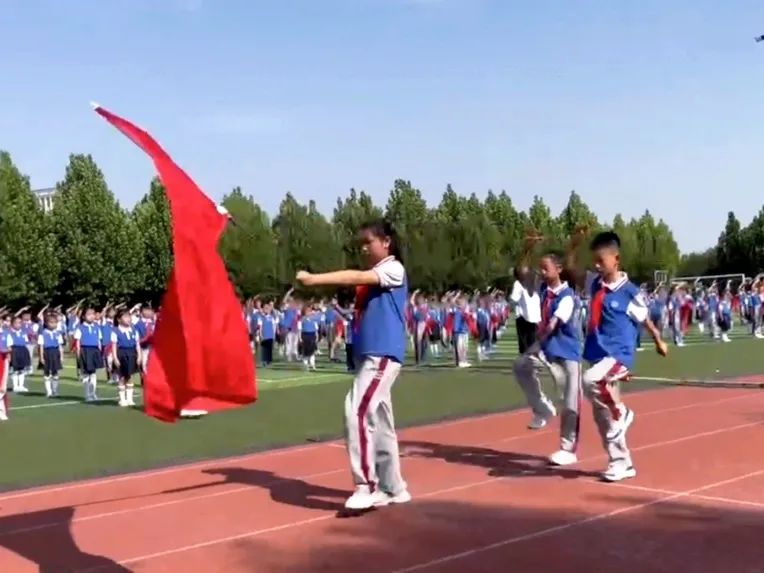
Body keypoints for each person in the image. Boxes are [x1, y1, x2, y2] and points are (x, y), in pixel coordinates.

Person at [296, 218, 411, 511]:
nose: (363, 247)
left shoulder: (393, 268)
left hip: (382, 354)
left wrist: (314, 279)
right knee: (381, 422)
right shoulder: (376, 275)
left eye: (368, 242)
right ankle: (393, 487)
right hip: (371, 354)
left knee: (356, 410)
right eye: (361, 243)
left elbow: (353, 276)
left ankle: (366, 485)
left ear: (386, 242)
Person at [580, 231, 668, 482]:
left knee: (590, 381)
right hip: (597, 354)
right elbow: (572, 271)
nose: (597, 266)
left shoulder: (630, 293)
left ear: (616, 258)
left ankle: (623, 412)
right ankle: (621, 463)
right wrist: (574, 245)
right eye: (594, 261)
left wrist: (658, 340)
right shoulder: (596, 284)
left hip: (618, 354)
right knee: (602, 417)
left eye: (601, 261)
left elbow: (645, 319)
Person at [513, 249, 581, 466]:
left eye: (545, 268)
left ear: (558, 269)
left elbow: (555, 322)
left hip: (567, 353)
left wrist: (541, 334)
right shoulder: (543, 289)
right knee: (521, 365)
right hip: (545, 347)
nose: (541, 272)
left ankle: (567, 448)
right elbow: (522, 273)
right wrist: (526, 248)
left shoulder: (567, 296)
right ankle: (542, 408)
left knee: (570, 403)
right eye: (539, 268)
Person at [510, 232, 542, 354]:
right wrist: (527, 248)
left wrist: (531, 247)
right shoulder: (518, 284)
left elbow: (531, 265)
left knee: (533, 348)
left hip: (534, 319)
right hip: (524, 319)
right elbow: (513, 300)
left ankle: (531, 366)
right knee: (525, 349)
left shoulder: (534, 282)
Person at [111, 309, 142, 408]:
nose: (128, 319)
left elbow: (137, 344)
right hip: (121, 354)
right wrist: (115, 358)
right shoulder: (115, 331)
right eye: (125, 317)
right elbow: (114, 346)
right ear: (119, 319)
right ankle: (122, 399)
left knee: (130, 376)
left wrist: (139, 356)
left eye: (129, 316)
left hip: (132, 353)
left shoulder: (134, 330)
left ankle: (130, 399)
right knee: (122, 376)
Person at [73, 307, 104, 402]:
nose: (91, 316)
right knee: (86, 374)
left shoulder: (96, 327)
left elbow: (99, 341)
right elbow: (77, 342)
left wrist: (99, 352)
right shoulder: (80, 327)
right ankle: (87, 395)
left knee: (93, 374)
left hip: (94, 351)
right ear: (83, 316)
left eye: (93, 314)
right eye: (89, 314)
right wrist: (78, 353)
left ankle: (93, 393)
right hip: (85, 351)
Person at [38, 313, 64, 398]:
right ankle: (48, 391)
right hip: (47, 353)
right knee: (47, 373)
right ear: (46, 323)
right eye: (51, 322)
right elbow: (41, 346)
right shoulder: (43, 334)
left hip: (55, 353)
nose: (54, 324)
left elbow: (60, 346)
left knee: (55, 373)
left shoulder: (58, 333)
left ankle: (55, 390)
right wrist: (41, 357)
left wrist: (61, 356)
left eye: (55, 322)